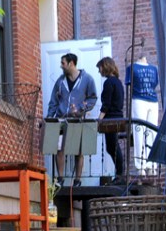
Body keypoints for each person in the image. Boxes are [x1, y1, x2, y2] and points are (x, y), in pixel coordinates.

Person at [47, 53, 98, 187]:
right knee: (59, 148)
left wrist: (82, 108)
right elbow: (53, 101)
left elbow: (93, 98)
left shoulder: (87, 79)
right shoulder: (60, 81)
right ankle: (60, 178)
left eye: (63, 63)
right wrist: (49, 118)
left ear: (71, 63)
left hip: (77, 120)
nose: (61, 66)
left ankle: (78, 180)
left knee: (78, 150)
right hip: (62, 119)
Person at [125, 56, 159, 174]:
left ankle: (152, 164)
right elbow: (128, 84)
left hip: (153, 101)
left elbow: (154, 84)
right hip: (138, 100)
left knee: (152, 132)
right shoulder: (131, 68)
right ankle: (140, 165)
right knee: (139, 130)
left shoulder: (154, 68)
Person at [95, 57, 126, 185]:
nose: (99, 71)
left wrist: (99, 119)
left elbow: (106, 104)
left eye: (100, 68)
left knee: (112, 147)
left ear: (105, 66)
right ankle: (120, 174)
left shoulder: (109, 83)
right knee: (112, 147)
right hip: (118, 117)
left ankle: (120, 174)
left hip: (111, 119)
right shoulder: (118, 82)